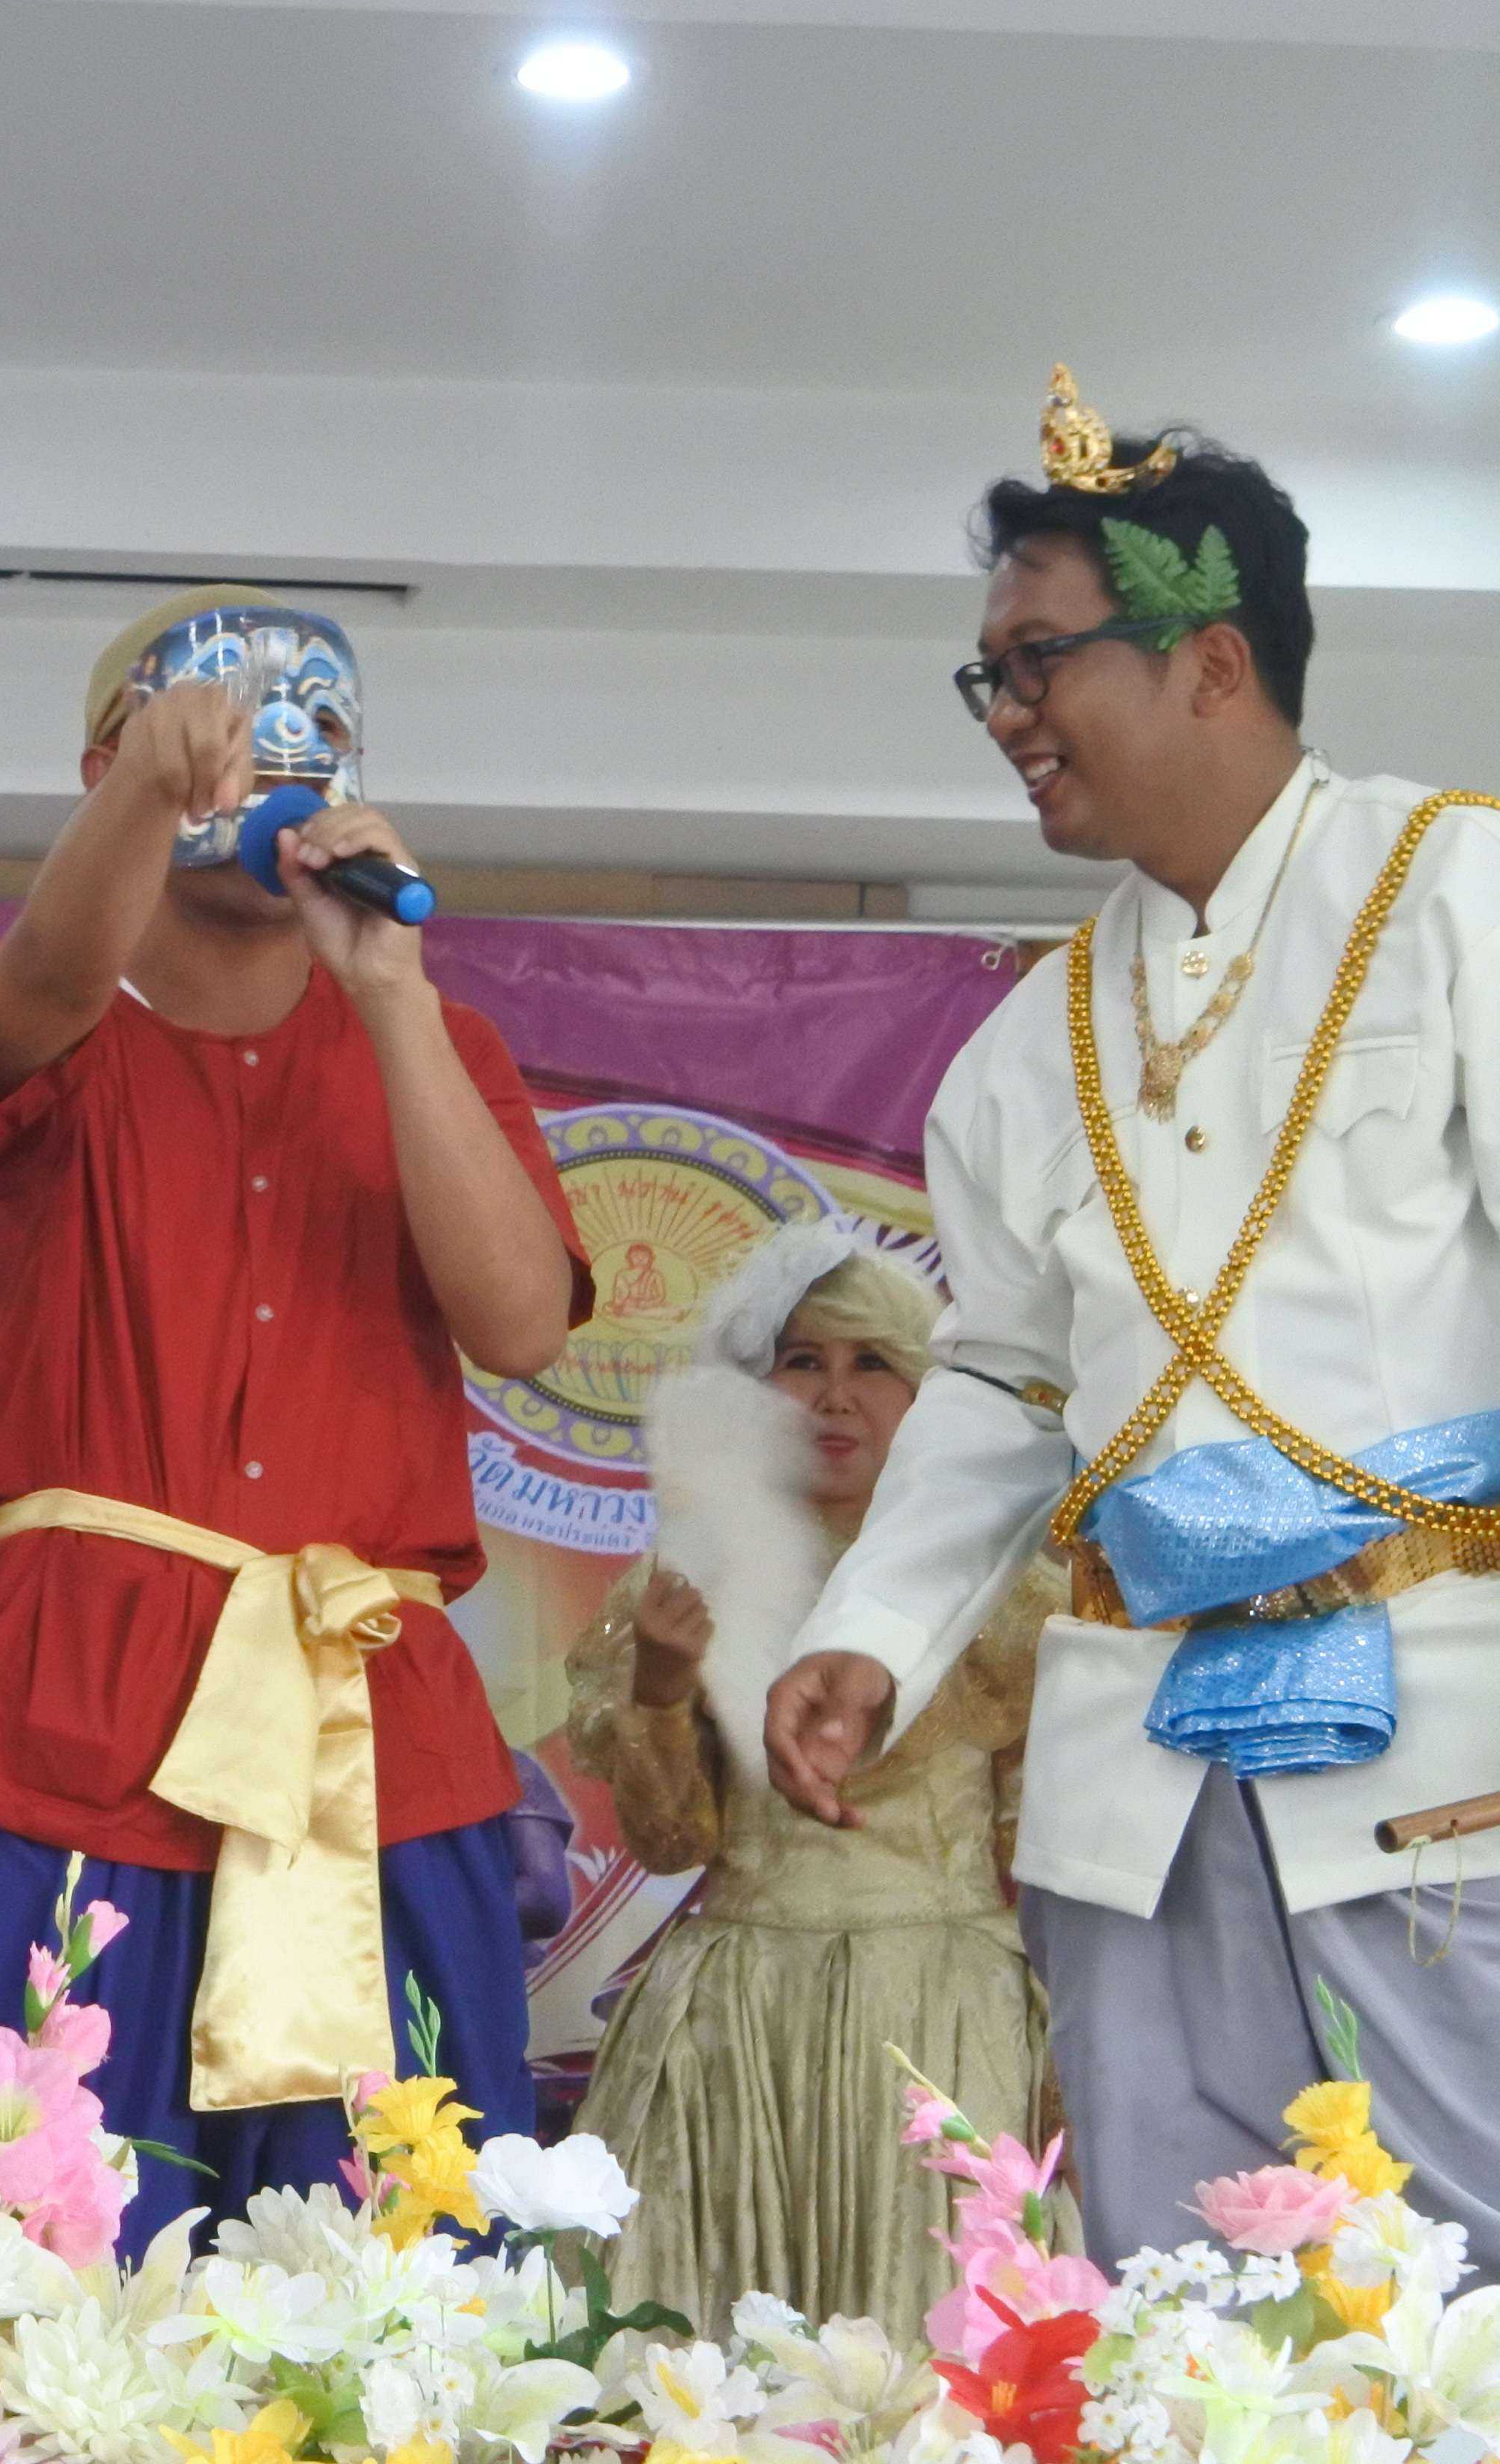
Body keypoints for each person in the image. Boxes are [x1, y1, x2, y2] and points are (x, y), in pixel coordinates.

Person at [771, 370, 1500, 2259]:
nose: (1005, 714)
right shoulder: (1029, 1037)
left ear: (1211, 662)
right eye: (987, 676)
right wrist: (871, 1633)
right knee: (1177, 2292)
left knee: (1464, 2283)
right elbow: (1004, 1385)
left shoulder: (1455, 892)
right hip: (1138, 1773)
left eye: (1038, 661)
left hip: (1435, 1735)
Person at [0, 584, 586, 2248]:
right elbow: (45, 977)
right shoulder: (45, 1028)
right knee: (35, 2263)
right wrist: (153, 788)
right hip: (80, 1729)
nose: (275, 756)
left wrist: (394, 993)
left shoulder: (437, 1040)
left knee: (401, 2280)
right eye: (216, 724)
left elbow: (517, 1322)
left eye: (319, 731)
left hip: (379, 1747)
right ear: (107, 769)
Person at [571, 1225, 1053, 2333]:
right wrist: (660, 1689)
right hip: (732, 2018)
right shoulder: (682, 1582)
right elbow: (671, 1843)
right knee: (699, 2355)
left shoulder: (1011, 1596)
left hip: (941, 2011)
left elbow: (1044, 1857)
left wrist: (1069, 2052)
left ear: (930, 1395)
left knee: (941, 2343)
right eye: (803, 1362)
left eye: (872, 1363)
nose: (834, 1397)